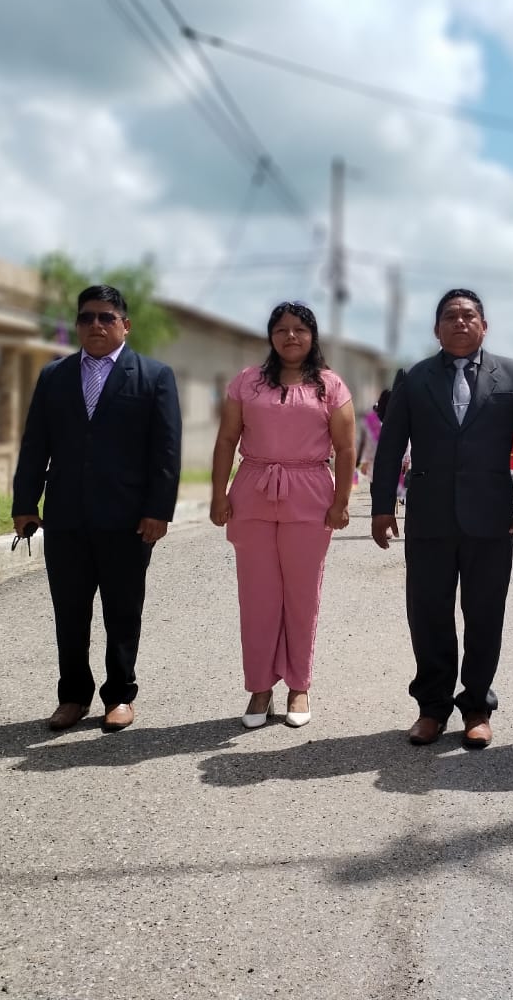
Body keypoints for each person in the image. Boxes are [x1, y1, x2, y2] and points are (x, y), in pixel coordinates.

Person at [370, 288, 513, 748]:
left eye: (469, 316)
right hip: (429, 515)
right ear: (437, 329)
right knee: (428, 612)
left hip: (491, 516)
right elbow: (391, 445)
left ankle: (477, 707)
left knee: (485, 613)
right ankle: (432, 707)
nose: (460, 322)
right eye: (450, 316)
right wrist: (382, 506)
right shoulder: (415, 378)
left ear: (484, 326)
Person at [12, 284, 181, 734]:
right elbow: (35, 444)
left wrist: (158, 510)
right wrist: (25, 503)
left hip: (128, 518)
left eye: (107, 317)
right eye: (87, 317)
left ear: (126, 324)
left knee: (122, 610)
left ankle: (120, 695)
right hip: (66, 515)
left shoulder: (154, 376)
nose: (96, 325)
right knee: (69, 611)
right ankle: (72, 696)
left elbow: (166, 451)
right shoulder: (54, 376)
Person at [209, 302, 354, 729]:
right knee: (257, 596)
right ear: (271, 336)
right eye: (282, 329)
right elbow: (226, 439)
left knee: (302, 595)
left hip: (309, 492)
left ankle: (298, 685)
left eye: (300, 329)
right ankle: (259, 687)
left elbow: (346, 448)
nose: (291, 336)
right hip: (253, 490)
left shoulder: (330, 386)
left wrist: (341, 502)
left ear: (312, 336)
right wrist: (218, 494)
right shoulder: (247, 382)